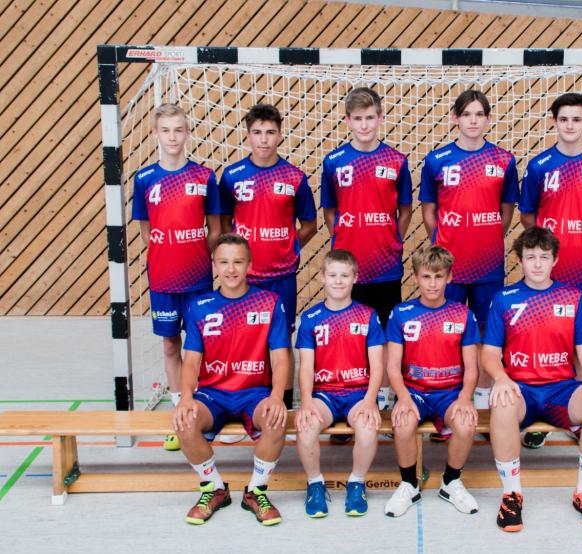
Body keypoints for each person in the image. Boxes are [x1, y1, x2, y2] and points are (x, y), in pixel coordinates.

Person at [481, 226, 582, 532]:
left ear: (555, 260)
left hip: (561, 390)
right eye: (530, 257)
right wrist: (501, 378)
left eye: (544, 257)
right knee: (501, 403)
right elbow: (489, 352)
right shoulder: (504, 299)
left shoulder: (572, 297)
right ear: (519, 260)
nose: (537, 264)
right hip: (521, 390)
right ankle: (511, 494)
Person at [518, 92, 582, 449]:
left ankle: (576, 413)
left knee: (581, 342)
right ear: (554, 122)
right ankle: (542, 418)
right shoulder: (539, 165)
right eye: (563, 119)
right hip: (547, 274)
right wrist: (548, 248)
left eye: (576, 119)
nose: (570, 125)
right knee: (545, 340)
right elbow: (528, 215)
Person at [173, 234, 292, 526]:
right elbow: (191, 361)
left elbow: (281, 358)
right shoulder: (200, 306)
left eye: (238, 262)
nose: (231, 269)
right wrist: (186, 397)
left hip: (255, 392)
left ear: (249, 265)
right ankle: (214, 488)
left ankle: (256, 492)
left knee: (277, 419)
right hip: (213, 394)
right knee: (184, 421)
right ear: (214, 265)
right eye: (224, 262)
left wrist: (277, 396)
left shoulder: (269, 302)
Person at [419, 89, 519, 416]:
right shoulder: (437, 160)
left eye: (479, 114)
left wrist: (488, 237)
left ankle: (483, 404)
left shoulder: (504, 160)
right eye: (466, 114)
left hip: (488, 266)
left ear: (488, 119)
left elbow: (506, 211)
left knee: (487, 336)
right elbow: (429, 210)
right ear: (455, 118)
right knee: (444, 334)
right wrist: (442, 242)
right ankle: (447, 402)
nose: (473, 121)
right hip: (449, 268)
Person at [131, 103, 223, 452]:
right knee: (171, 345)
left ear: (187, 133)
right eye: (166, 130)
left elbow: (215, 230)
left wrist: (195, 254)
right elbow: (147, 232)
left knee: (202, 345)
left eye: (178, 130)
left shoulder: (204, 177)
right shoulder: (145, 179)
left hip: (198, 280)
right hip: (163, 281)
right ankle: (178, 414)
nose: (172, 137)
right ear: (156, 134)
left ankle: (204, 411)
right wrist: (168, 254)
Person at [218, 103, 317, 410]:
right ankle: (244, 397)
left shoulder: (294, 177)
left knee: (282, 340)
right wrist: (236, 257)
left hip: (281, 277)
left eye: (270, 132)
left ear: (280, 135)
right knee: (244, 339)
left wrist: (289, 246)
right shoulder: (232, 176)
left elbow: (310, 224)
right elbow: (223, 223)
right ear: (248, 135)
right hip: (244, 278)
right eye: (257, 132)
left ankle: (284, 403)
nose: (264, 139)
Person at [321, 87, 413, 411]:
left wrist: (393, 239)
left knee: (385, 335)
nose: (364, 125)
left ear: (380, 118)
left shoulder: (396, 161)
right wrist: (344, 239)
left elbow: (405, 209)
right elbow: (330, 211)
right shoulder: (334, 162)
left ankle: (384, 398)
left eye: (370, 118)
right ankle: (352, 397)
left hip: (385, 267)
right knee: (350, 334)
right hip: (349, 270)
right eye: (358, 118)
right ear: (347, 120)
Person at [383, 245, 480, 517]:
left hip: (450, 393)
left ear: (449, 277)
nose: (432, 284)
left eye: (439, 276)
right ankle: (409, 485)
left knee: (466, 423)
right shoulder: (401, 313)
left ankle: (451, 482)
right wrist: (403, 398)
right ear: (415, 277)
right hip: (414, 391)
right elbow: (392, 368)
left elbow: (472, 369)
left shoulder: (463, 314)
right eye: (426, 276)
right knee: (403, 422)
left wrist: (465, 398)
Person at [294, 250, 386, 518]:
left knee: (368, 428)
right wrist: (306, 402)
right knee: (306, 426)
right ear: (322, 277)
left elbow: (377, 365)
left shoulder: (367, 315)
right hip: (325, 394)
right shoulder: (310, 318)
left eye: (345, 275)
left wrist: (370, 401)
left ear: (355, 278)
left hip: (359, 393)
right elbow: (306, 366)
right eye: (332, 275)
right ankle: (315, 484)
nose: (338, 281)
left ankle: (356, 483)